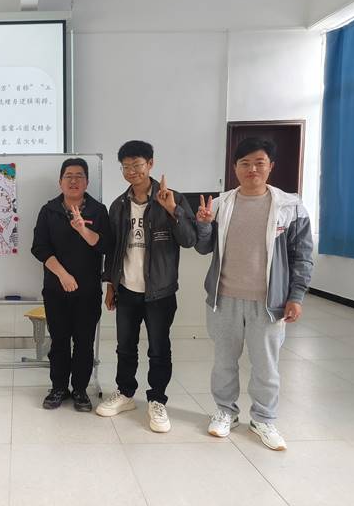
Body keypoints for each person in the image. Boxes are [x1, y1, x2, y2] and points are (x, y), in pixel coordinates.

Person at [195, 137, 313, 451]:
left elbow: (302, 255)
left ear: (270, 166)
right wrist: (204, 225)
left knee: (266, 366)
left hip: (269, 302)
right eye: (245, 163)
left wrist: (296, 296)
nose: (252, 169)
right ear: (235, 167)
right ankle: (226, 412)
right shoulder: (221, 204)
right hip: (224, 299)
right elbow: (204, 247)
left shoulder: (290, 206)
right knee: (224, 362)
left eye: (259, 163)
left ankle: (264, 419)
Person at [96, 140, 196, 433]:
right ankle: (125, 393)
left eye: (137, 165)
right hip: (127, 289)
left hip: (160, 292)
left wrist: (173, 210)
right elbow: (114, 250)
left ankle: (157, 400)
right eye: (126, 166)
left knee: (159, 349)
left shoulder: (171, 198)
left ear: (150, 164)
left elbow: (190, 240)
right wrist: (111, 285)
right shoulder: (118, 205)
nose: (131, 171)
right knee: (125, 347)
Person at [31, 158, 111, 412]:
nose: (74, 180)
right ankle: (58, 388)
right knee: (59, 341)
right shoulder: (49, 211)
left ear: (87, 182)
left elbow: (106, 245)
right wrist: (63, 275)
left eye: (79, 176)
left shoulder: (98, 211)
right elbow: (39, 248)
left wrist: (83, 231)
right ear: (60, 182)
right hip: (56, 289)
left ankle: (80, 390)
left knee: (84, 342)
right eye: (69, 176)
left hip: (88, 291)